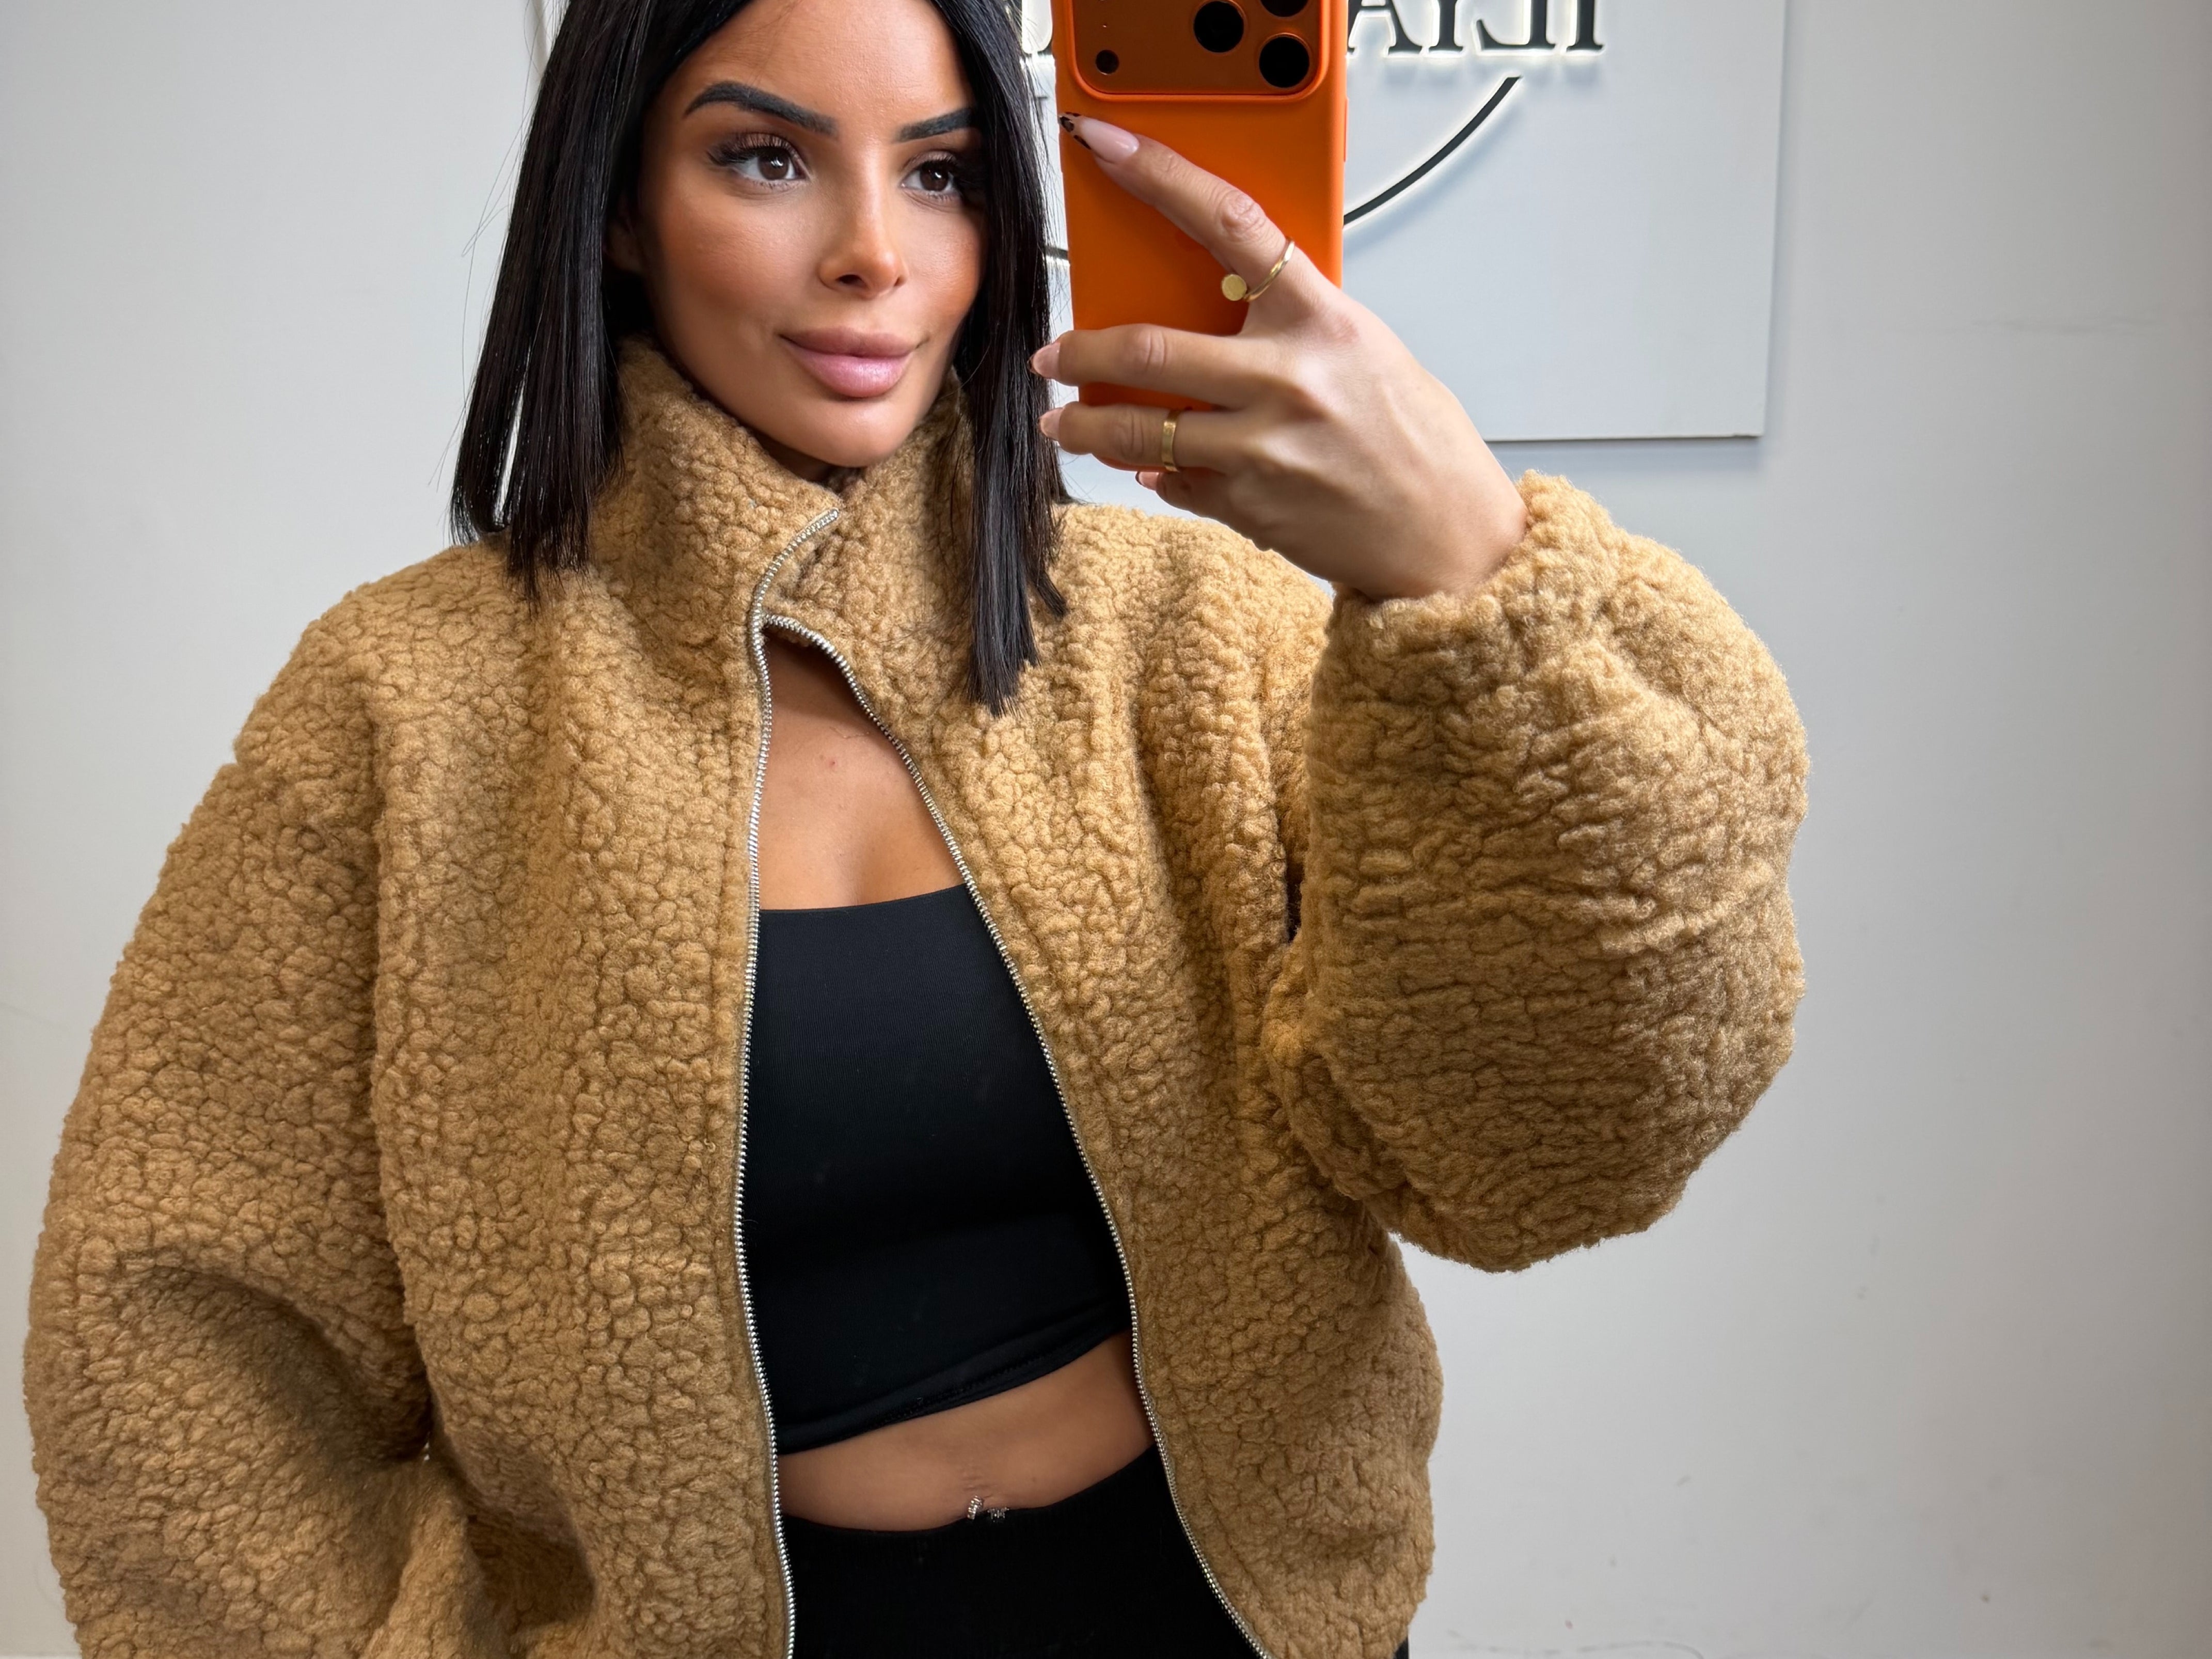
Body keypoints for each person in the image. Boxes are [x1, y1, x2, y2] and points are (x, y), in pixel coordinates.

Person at [21, 0, 1808, 1653]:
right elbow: (177, 1319)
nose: (875, 250)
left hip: (1231, 1617)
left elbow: (1552, 1151)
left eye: (942, 173)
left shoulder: (1198, 640)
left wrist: (1465, 578)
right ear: (623, 208)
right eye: (766, 157)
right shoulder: (407, 708)